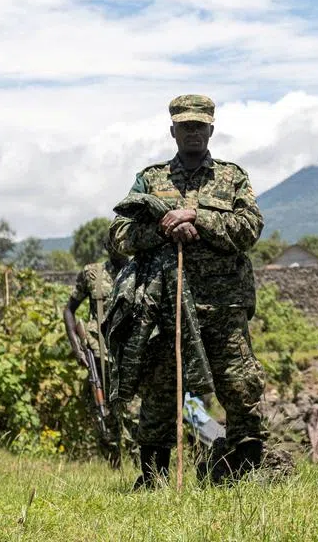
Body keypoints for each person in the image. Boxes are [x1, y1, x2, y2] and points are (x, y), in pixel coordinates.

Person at [108, 94, 267, 488]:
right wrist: (163, 227)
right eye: (185, 126)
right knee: (161, 391)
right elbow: (119, 234)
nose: (192, 132)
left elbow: (250, 229)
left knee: (239, 385)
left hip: (223, 304)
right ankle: (153, 479)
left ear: (211, 129)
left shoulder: (232, 178)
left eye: (199, 126)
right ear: (173, 131)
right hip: (164, 306)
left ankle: (245, 471)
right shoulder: (151, 179)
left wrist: (200, 217)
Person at [63, 238, 138, 467]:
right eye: (113, 245)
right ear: (106, 247)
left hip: (130, 353)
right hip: (99, 352)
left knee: (134, 413)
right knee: (103, 412)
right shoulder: (92, 273)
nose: (118, 249)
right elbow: (69, 310)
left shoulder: (139, 270)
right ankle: (113, 465)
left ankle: (143, 468)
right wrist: (77, 347)